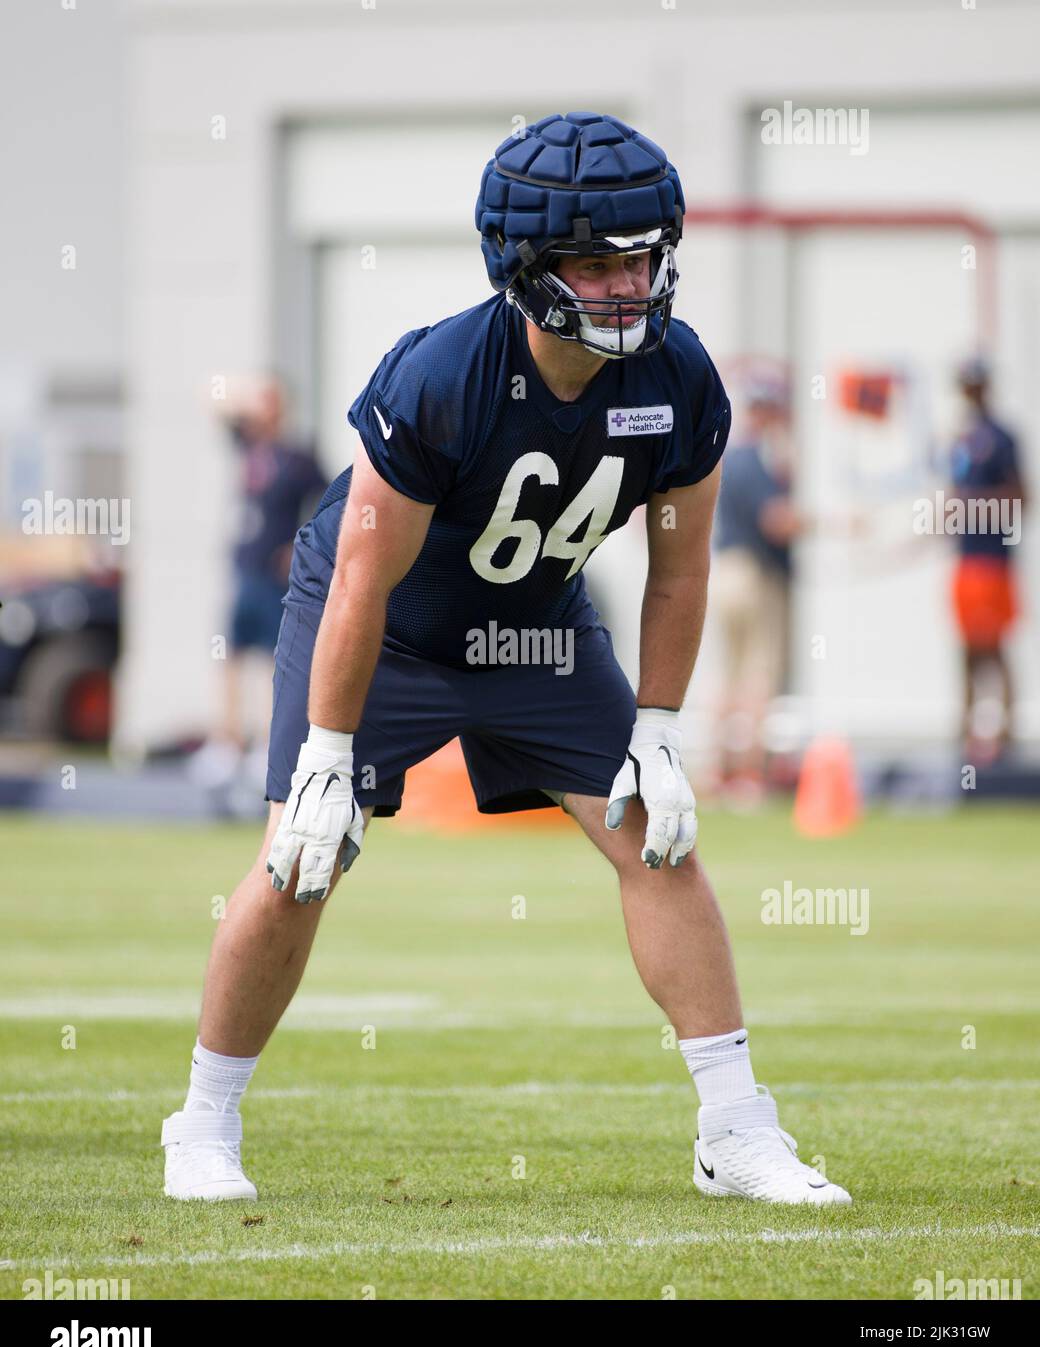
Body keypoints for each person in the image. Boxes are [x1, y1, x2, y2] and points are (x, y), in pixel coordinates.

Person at [160, 113, 851, 1207]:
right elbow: (356, 579)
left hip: (535, 626)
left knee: (653, 835)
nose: (624, 285)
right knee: (305, 850)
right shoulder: (441, 374)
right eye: (592, 260)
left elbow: (676, 574)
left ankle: (735, 1129)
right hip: (383, 629)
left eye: (638, 257)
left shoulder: (677, 378)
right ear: (526, 267)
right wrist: (328, 752)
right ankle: (202, 1121)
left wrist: (661, 732)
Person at [189, 376, 327, 803]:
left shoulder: (298, 458)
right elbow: (209, 399)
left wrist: (299, 545)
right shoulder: (249, 447)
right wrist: (244, 399)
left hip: (274, 576)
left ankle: (268, 742)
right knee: (229, 655)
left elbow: (329, 500)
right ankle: (227, 739)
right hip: (244, 571)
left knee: (274, 659)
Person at [710, 378, 805, 802]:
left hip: (724, 570)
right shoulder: (756, 460)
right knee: (758, 675)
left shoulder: (728, 456)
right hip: (754, 574)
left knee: (728, 675)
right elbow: (777, 521)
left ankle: (719, 769)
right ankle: (748, 773)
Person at [949, 357, 1025, 764]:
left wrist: (970, 506)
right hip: (965, 559)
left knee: (993, 647)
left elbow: (1019, 497)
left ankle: (1006, 734)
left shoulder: (1001, 438)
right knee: (966, 647)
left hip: (992, 560)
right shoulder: (960, 438)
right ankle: (964, 733)